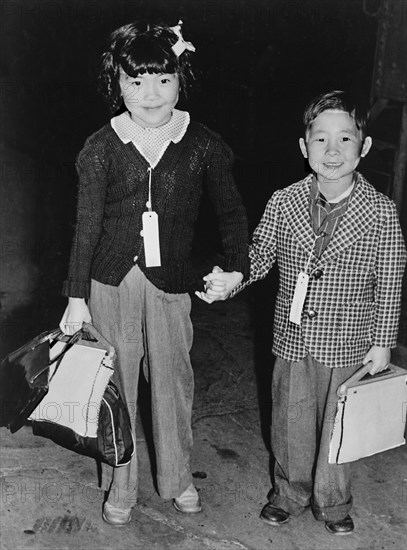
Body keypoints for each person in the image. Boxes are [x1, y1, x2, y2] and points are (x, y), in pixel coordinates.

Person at [59, 20, 249, 526]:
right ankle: (121, 483)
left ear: (181, 80)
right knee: (115, 385)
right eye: (135, 81)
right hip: (109, 282)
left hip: (171, 284)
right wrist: (76, 295)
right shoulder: (101, 146)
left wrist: (236, 267)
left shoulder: (203, 144)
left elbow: (230, 212)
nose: (150, 93)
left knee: (173, 379)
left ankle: (178, 477)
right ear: (116, 83)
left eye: (163, 80)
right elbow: (85, 226)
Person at [197, 90, 406, 535]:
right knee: (290, 420)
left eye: (346, 140)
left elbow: (389, 281)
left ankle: (333, 503)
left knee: (338, 426)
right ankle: (289, 492)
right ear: (303, 147)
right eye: (321, 140)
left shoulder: (382, 214)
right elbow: (260, 254)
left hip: (349, 341)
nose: (333, 151)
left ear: (364, 147)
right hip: (292, 337)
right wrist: (234, 278)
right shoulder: (284, 201)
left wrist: (383, 342)